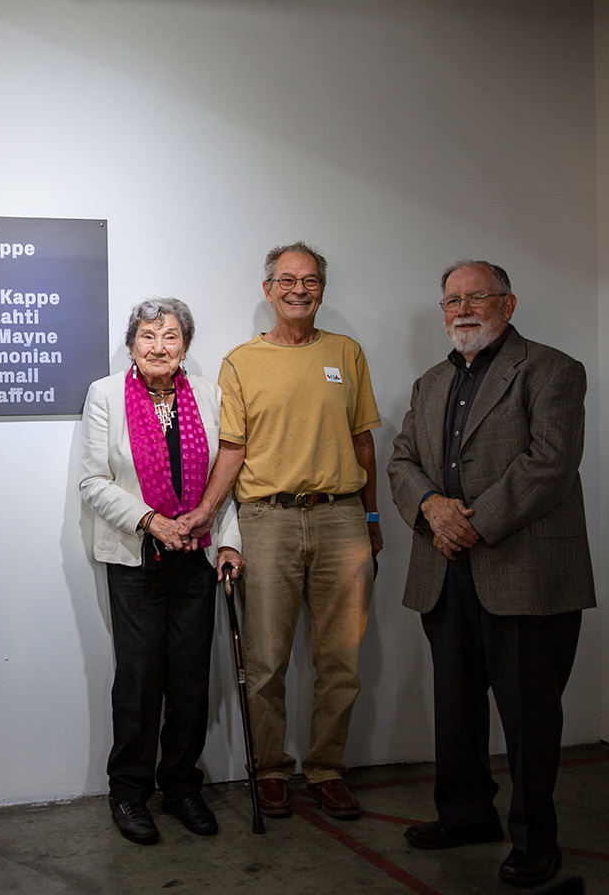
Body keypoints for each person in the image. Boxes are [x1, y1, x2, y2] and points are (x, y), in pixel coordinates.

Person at [388, 260, 594, 889]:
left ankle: (535, 839)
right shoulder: (428, 383)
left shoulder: (552, 369)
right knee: (455, 707)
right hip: (445, 571)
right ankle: (465, 816)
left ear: (508, 303)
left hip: (525, 572)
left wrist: (473, 522)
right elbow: (401, 461)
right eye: (452, 299)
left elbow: (550, 463)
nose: (463, 308)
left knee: (530, 716)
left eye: (477, 296)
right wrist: (430, 508)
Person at [178, 241, 383, 821]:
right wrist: (208, 517)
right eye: (287, 279)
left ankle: (326, 768)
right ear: (268, 290)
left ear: (322, 288)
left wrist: (372, 518)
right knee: (266, 662)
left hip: (343, 517)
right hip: (266, 521)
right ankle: (269, 769)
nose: (300, 288)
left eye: (311, 279)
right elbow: (233, 450)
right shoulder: (241, 361)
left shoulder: (347, 352)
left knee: (340, 658)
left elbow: (364, 440)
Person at [79, 298, 241, 845]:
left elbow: (226, 482)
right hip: (136, 554)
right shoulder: (105, 395)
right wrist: (152, 521)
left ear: (185, 347)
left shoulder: (211, 397)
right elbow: (94, 482)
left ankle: (181, 786)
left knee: (192, 676)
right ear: (131, 345)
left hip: (196, 554)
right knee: (140, 677)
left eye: (170, 337)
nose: (159, 346)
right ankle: (128, 791)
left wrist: (228, 543)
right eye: (148, 336)